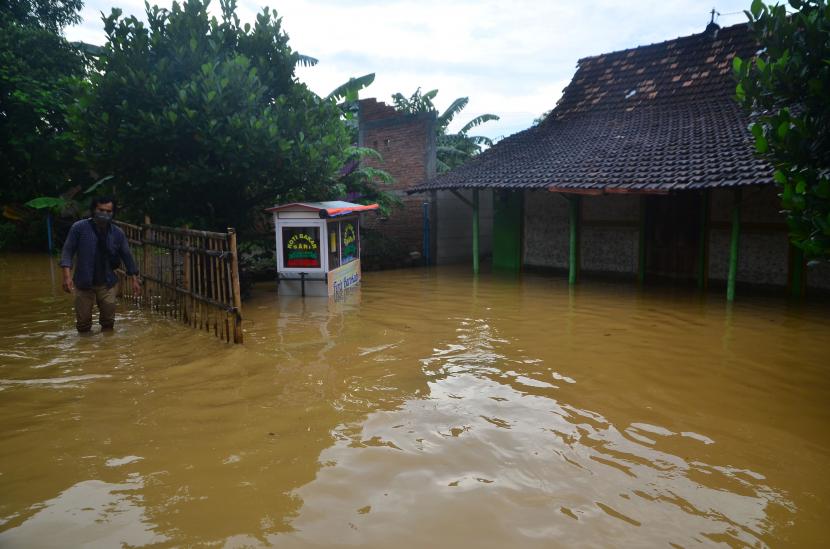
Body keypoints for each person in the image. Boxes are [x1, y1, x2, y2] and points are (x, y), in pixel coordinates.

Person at [60, 196, 141, 333]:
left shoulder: (117, 233)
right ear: (93, 210)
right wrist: (67, 277)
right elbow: (67, 252)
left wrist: (134, 279)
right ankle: (85, 349)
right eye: (101, 210)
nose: (105, 214)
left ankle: (107, 350)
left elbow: (127, 255)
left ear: (113, 213)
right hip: (83, 282)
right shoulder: (79, 228)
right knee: (83, 324)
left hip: (107, 282)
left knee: (109, 322)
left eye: (109, 211)